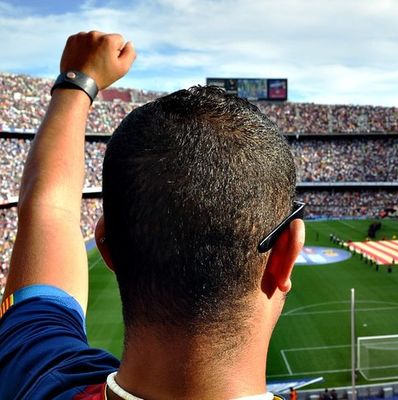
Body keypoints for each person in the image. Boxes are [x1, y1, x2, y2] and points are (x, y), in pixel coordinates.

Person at [0, 31, 304, 400]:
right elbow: (48, 210)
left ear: (108, 247)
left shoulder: (36, 376)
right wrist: (77, 83)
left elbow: (49, 209)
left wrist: (77, 81)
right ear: (286, 255)